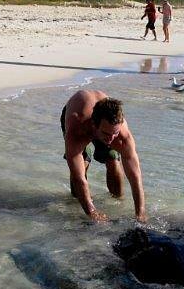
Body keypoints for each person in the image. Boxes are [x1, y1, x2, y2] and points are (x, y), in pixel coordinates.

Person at [61, 91, 146, 222]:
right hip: (78, 117)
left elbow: (135, 176)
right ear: (94, 125)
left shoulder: (122, 136)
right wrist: (92, 212)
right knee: (82, 166)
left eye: (115, 133)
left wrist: (140, 213)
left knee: (113, 160)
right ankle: (75, 204)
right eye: (107, 134)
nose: (111, 139)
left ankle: (118, 200)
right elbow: (79, 178)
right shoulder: (76, 129)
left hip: (104, 123)